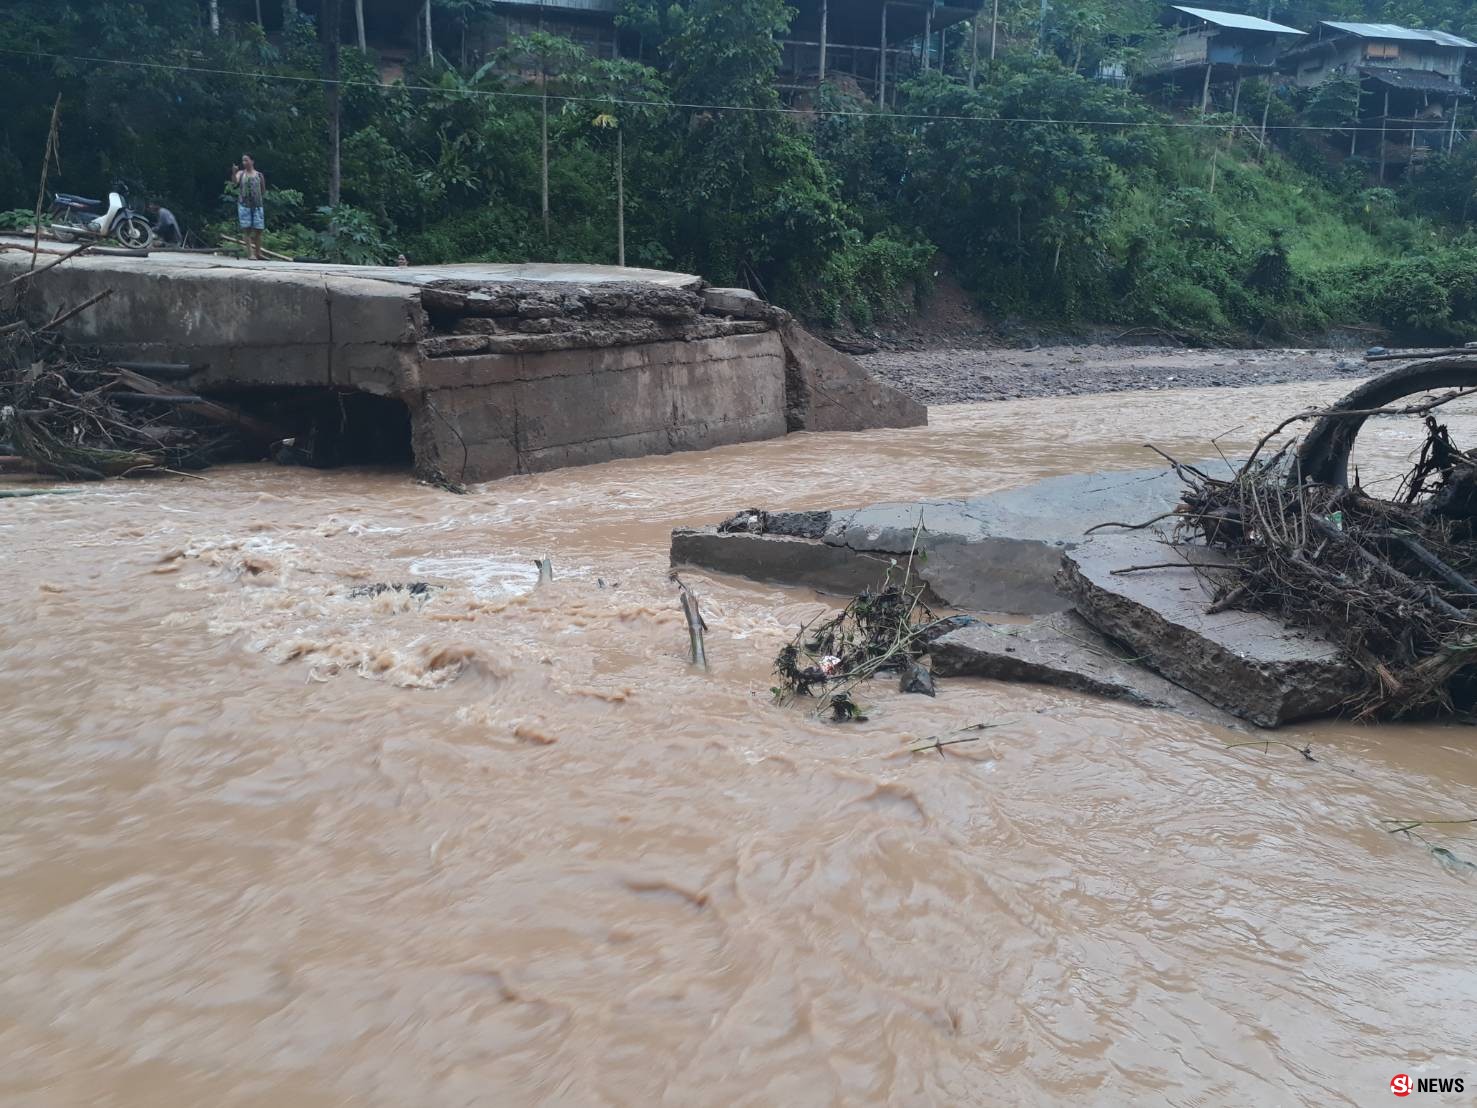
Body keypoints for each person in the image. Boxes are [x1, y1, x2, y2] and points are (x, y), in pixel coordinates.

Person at [231, 154, 267, 260]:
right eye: (243, 161)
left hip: (257, 205)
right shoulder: (241, 173)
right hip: (244, 205)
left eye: (246, 160)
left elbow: (263, 190)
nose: (244, 163)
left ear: (252, 161)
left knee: (258, 230)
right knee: (247, 229)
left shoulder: (259, 175)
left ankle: (258, 253)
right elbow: (235, 182)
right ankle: (250, 253)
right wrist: (233, 172)